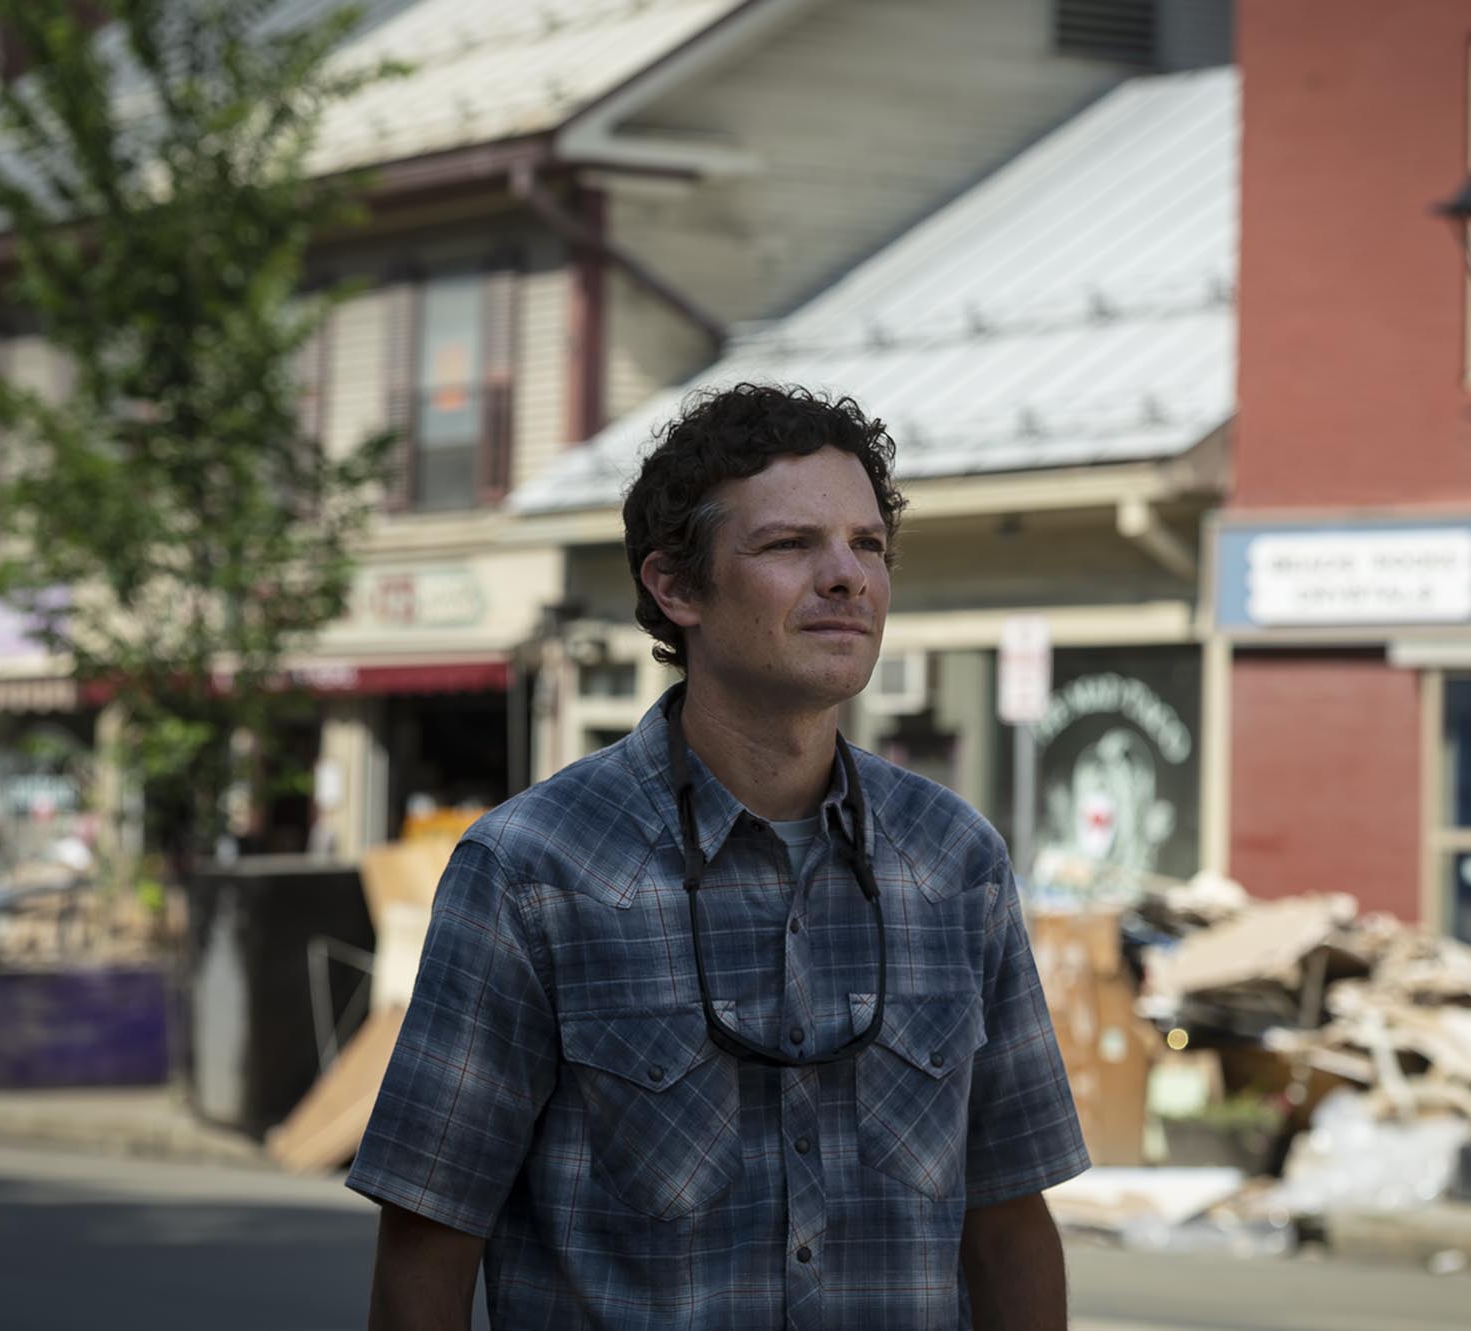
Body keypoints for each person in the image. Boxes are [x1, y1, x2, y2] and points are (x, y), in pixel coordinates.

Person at [350, 384, 1090, 1330]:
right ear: (676, 587)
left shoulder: (955, 862)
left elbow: (1009, 1219)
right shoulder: (532, 870)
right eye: (790, 545)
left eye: (868, 544)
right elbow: (428, 1243)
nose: (847, 576)